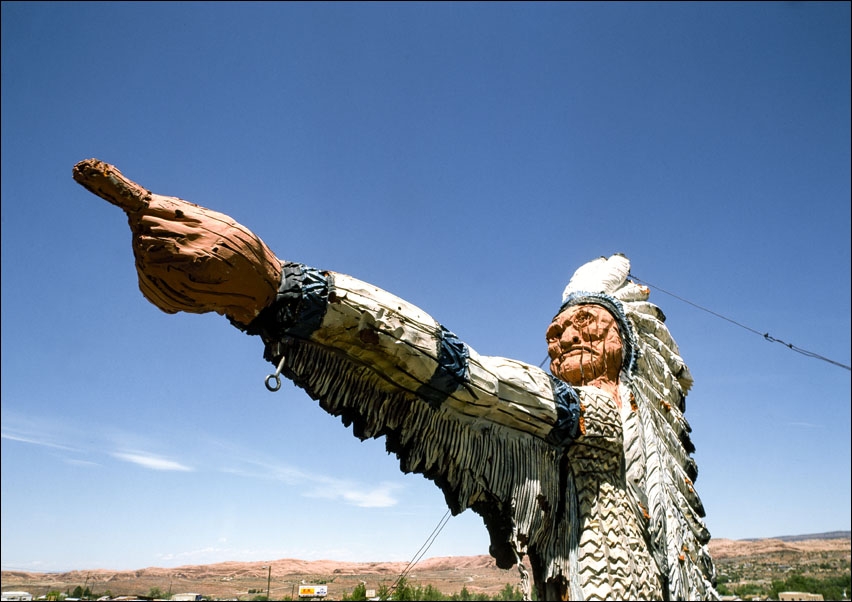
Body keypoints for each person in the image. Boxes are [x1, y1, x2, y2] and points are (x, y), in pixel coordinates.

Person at [73, 159, 719, 601]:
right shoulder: (562, 433)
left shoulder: (602, 415)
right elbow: (427, 384)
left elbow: (472, 381)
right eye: (556, 331)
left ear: (627, 344)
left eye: (586, 326)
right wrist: (272, 307)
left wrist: (284, 289)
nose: (565, 337)